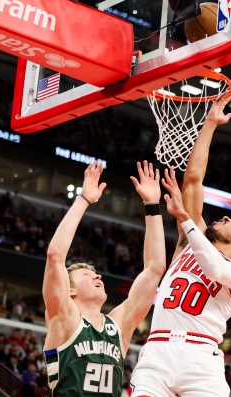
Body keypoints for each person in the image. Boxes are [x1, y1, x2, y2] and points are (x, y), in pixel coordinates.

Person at [130, 91, 231, 397]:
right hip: (157, 351)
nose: (224, 217)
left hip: (200, 358)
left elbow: (215, 268)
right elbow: (194, 180)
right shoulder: (189, 240)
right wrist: (209, 125)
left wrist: (185, 219)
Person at [43, 160, 170, 397]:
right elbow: (55, 256)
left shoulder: (118, 325)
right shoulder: (64, 317)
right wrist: (84, 199)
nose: (97, 275)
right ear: (70, 291)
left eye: (95, 273)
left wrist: (152, 205)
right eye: (86, 275)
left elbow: (155, 269)